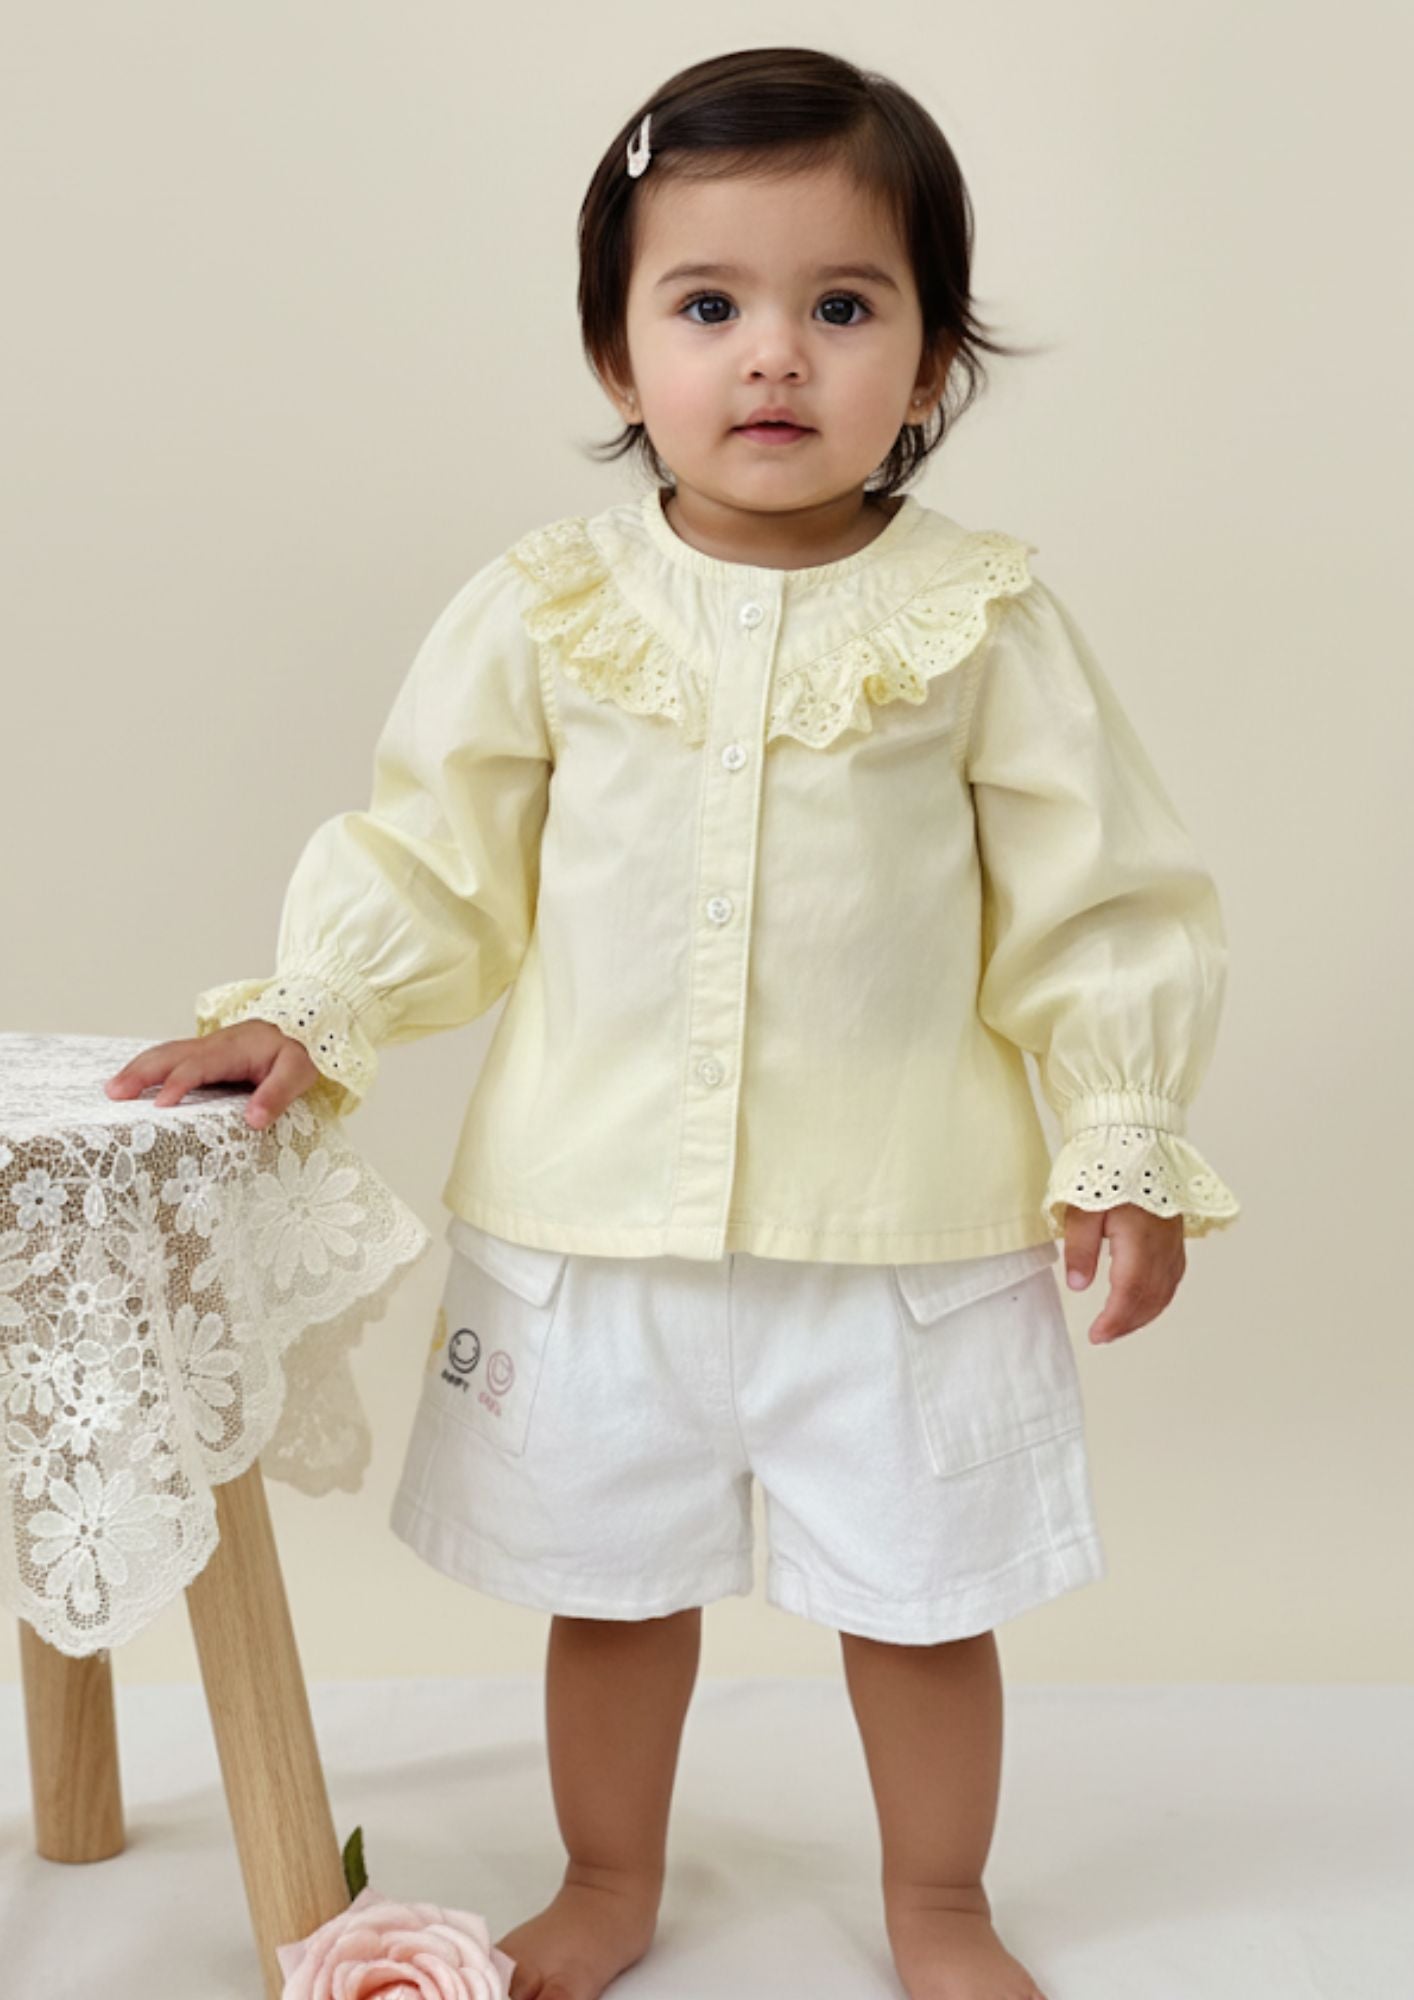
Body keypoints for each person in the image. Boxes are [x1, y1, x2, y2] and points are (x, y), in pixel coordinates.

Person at [104, 45, 1241, 2000]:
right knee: (610, 1595)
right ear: (622, 360)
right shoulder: (548, 607)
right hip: (594, 1222)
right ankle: (609, 1880)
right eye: (706, 306)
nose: (772, 357)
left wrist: (1113, 1133)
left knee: (919, 1599)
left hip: (900, 1233)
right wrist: (309, 1008)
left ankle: (937, 1902)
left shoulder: (980, 621)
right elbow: (436, 849)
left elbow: (1097, 900)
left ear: (933, 364)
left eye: (842, 305)